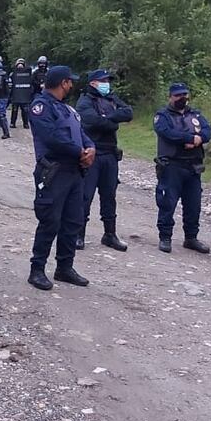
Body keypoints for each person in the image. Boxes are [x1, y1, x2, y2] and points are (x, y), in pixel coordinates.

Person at [26, 65, 95, 291]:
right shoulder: (41, 106)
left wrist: (90, 149)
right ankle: (37, 269)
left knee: (73, 220)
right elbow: (52, 137)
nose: (72, 85)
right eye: (70, 81)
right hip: (54, 171)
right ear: (63, 83)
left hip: (75, 172)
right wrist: (79, 152)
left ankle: (65, 267)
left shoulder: (68, 109)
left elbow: (82, 133)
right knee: (50, 221)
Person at [76, 69, 133, 251]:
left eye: (108, 80)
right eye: (103, 80)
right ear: (93, 83)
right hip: (92, 153)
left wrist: (108, 118)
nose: (106, 83)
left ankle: (110, 234)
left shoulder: (112, 98)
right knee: (85, 196)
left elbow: (128, 113)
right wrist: (113, 121)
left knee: (109, 196)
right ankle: (78, 234)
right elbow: (91, 120)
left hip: (110, 154)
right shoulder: (85, 100)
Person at [153, 83, 211, 254]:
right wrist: (189, 138)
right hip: (172, 165)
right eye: (178, 95)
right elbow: (167, 133)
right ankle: (165, 237)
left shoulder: (195, 114)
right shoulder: (162, 115)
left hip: (193, 166)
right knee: (167, 203)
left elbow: (207, 131)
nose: (182, 98)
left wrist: (198, 139)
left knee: (194, 204)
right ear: (171, 97)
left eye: (185, 95)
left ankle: (191, 238)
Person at [9, 58, 34, 129]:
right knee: (14, 110)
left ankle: (25, 123)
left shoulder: (28, 74)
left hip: (24, 95)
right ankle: (12, 123)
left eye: (21, 65)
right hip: (16, 95)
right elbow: (10, 84)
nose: (20, 66)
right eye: (19, 65)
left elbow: (31, 83)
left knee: (25, 110)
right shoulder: (13, 74)